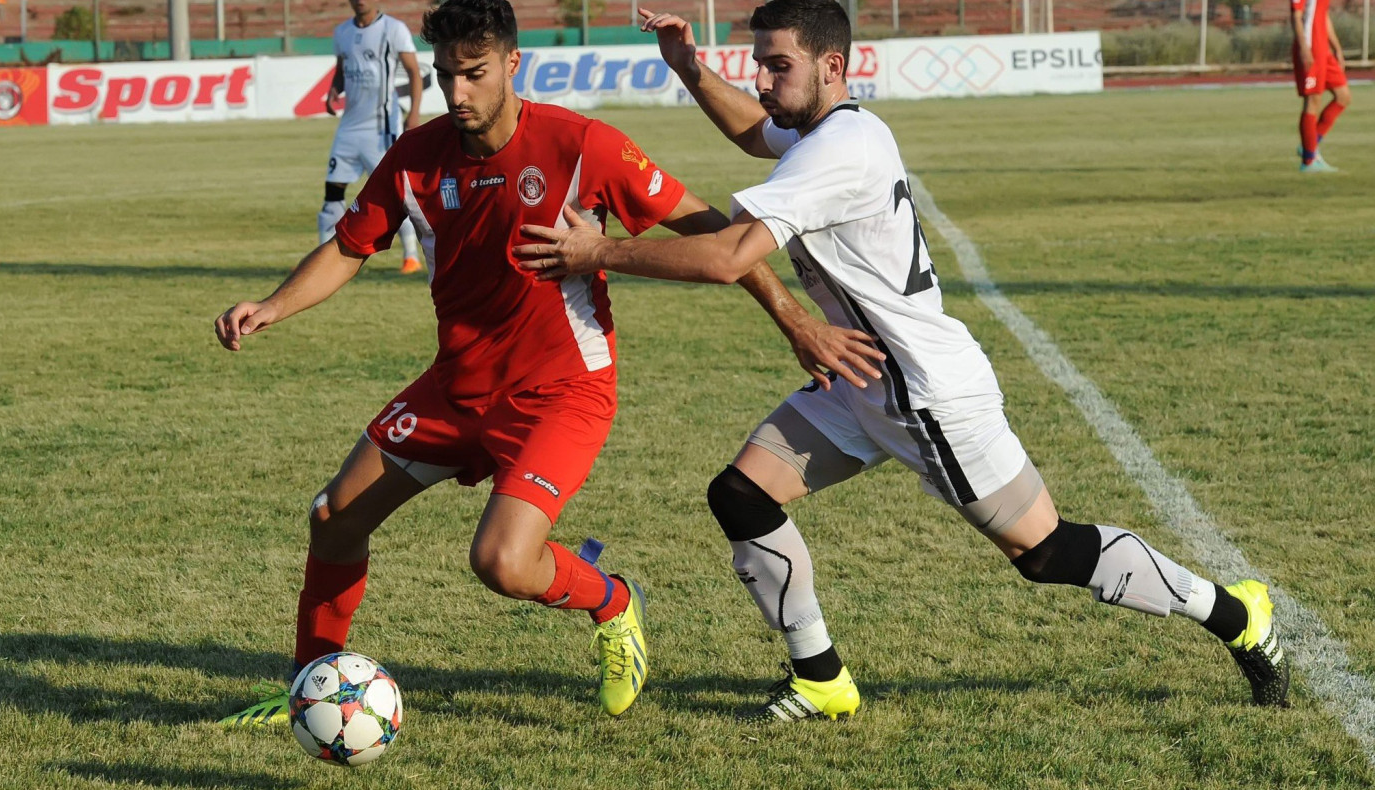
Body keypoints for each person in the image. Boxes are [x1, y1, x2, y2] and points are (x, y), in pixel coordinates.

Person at [517, 0, 1290, 721]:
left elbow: (727, 258)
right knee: (742, 495)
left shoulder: (839, 150)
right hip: (857, 377)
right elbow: (755, 130)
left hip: (928, 396)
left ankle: (1236, 613)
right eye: (759, 62)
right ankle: (820, 678)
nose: (762, 78)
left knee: (1045, 551)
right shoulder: (832, 130)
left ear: (832, 68)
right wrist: (688, 67)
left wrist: (598, 250)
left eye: (777, 65)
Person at [215, 0, 882, 725]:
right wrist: (273, 305)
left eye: (474, 74)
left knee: (501, 563)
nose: (458, 93)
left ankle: (612, 599)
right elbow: (351, 245)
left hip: (561, 393)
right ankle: (310, 689)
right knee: (334, 517)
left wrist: (794, 322)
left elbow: (713, 230)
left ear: (512, 64)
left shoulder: (581, 145)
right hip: (455, 388)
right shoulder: (415, 158)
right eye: (446, 77)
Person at [321, 0, 427, 273]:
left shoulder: (394, 29)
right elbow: (342, 71)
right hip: (349, 127)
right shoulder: (342, 32)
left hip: (383, 128)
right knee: (332, 190)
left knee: (397, 193)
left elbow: (415, 73)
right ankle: (321, 258)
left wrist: (414, 113)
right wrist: (334, 91)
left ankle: (411, 256)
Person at [1292, 0, 1351, 172]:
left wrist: (1337, 48)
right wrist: (1304, 48)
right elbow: (1296, 17)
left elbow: (1322, 15)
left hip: (1323, 50)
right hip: (1311, 50)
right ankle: (1309, 161)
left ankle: (1309, 145)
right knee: (1313, 100)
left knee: (1343, 96)